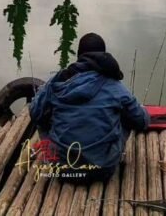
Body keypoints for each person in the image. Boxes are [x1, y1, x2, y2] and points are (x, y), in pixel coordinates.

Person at [29, 33, 150, 184]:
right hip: (102, 170)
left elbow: (34, 112)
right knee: (127, 115)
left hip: (61, 168)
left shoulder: (58, 82)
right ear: (104, 55)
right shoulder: (115, 86)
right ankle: (108, 153)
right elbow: (142, 121)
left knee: (41, 115)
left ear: (79, 56)